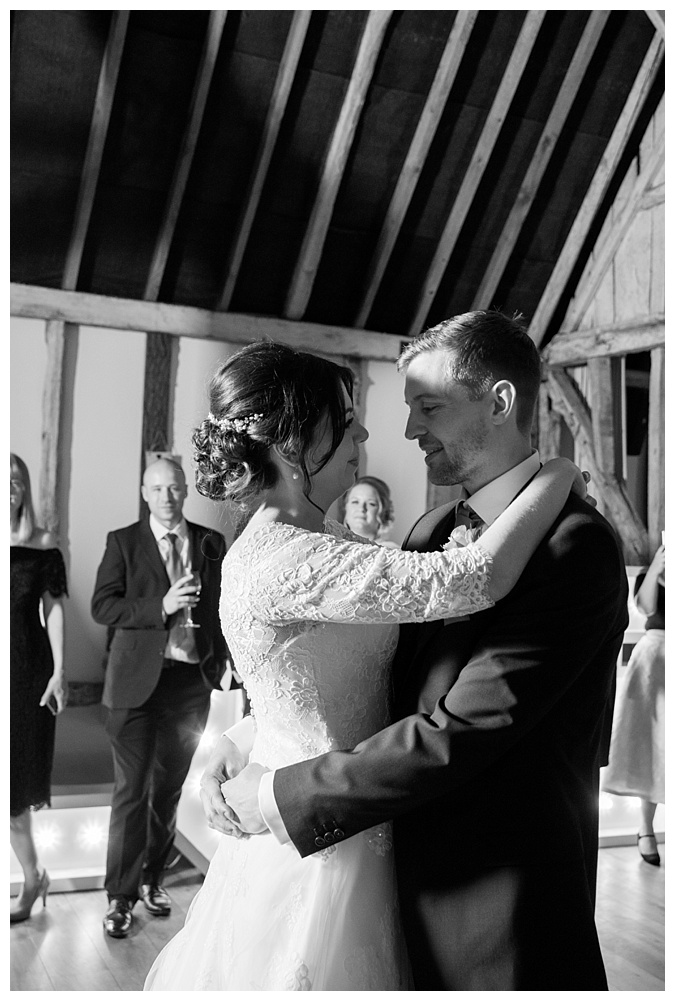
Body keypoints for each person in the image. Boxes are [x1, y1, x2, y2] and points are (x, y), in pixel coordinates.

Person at [144, 337, 594, 991]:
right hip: (323, 850)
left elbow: (325, 672)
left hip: (376, 825)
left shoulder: (334, 543)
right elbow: (471, 575)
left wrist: (245, 737)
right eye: (343, 417)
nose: (364, 430)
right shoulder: (284, 555)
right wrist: (556, 473)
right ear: (292, 438)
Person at [91, 457, 229, 939]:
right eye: (157, 489)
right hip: (133, 686)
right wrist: (161, 606)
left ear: (186, 490)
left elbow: (220, 608)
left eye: (174, 488)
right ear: (145, 493)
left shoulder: (211, 542)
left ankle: (153, 880)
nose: (167, 497)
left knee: (169, 789)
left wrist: (227, 659)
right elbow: (102, 605)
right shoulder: (122, 542)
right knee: (131, 791)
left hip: (190, 682)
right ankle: (119, 897)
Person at [10, 453, 68, 923]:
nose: (9, 488)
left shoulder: (43, 544)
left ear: (25, 490)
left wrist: (59, 671)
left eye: (16, 482)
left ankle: (32, 879)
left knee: (14, 794)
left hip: (27, 673)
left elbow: (54, 612)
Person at [602, 542, 665, 865]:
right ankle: (645, 828)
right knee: (650, 746)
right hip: (656, 659)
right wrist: (657, 566)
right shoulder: (651, 573)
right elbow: (646, 608)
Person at [339, 475, 399, 547]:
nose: (361, 508)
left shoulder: (390, 551)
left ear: (384, 512)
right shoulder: (330, 544)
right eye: (355, 502)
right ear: (345, 507)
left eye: (371, 504)